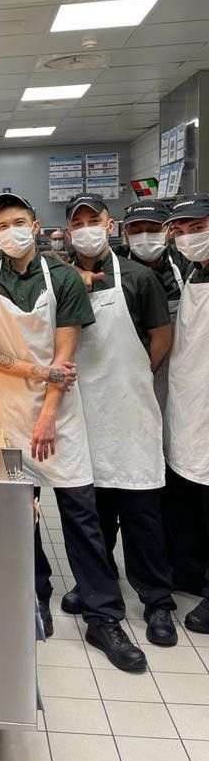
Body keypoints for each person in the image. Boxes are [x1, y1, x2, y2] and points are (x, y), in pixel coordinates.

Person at [0, 193, 146, 672]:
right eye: (2, 226)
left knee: (81, 515)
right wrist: (39, 374)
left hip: (58, 416)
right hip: (8, 414)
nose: (11, 232)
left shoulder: (62, 278)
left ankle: (104, 617)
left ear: (37, 225)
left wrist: (47, 414)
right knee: (20, 515)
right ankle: (34, 597)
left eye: (19, 222)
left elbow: (66, 358)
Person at [61, 193, 177, 645]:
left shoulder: (138, 278)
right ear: (68, 232)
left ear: (109, 225)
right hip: (83, 410)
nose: (86, 229)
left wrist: (136, 375)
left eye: (93, 220)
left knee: (142, 514)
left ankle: (157, 600)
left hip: (129, 412)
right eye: (78, 223)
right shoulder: (61, 280)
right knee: (94, 510)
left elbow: (161, 336)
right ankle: (96, 582)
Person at [162, 193, 209, 623]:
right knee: (190, 499)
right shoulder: (193, 273)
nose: (188, 237)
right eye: (181, 230)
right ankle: (190, 573)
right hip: (189, 401)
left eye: (198, 228)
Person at [116, 200, 190, 414]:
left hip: (175, 366)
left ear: (168, 230)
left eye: (153, 229)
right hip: (126, 369)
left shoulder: (184, 260)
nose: (144, 236)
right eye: (136, 231)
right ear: (126, 233)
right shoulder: (114, 262)